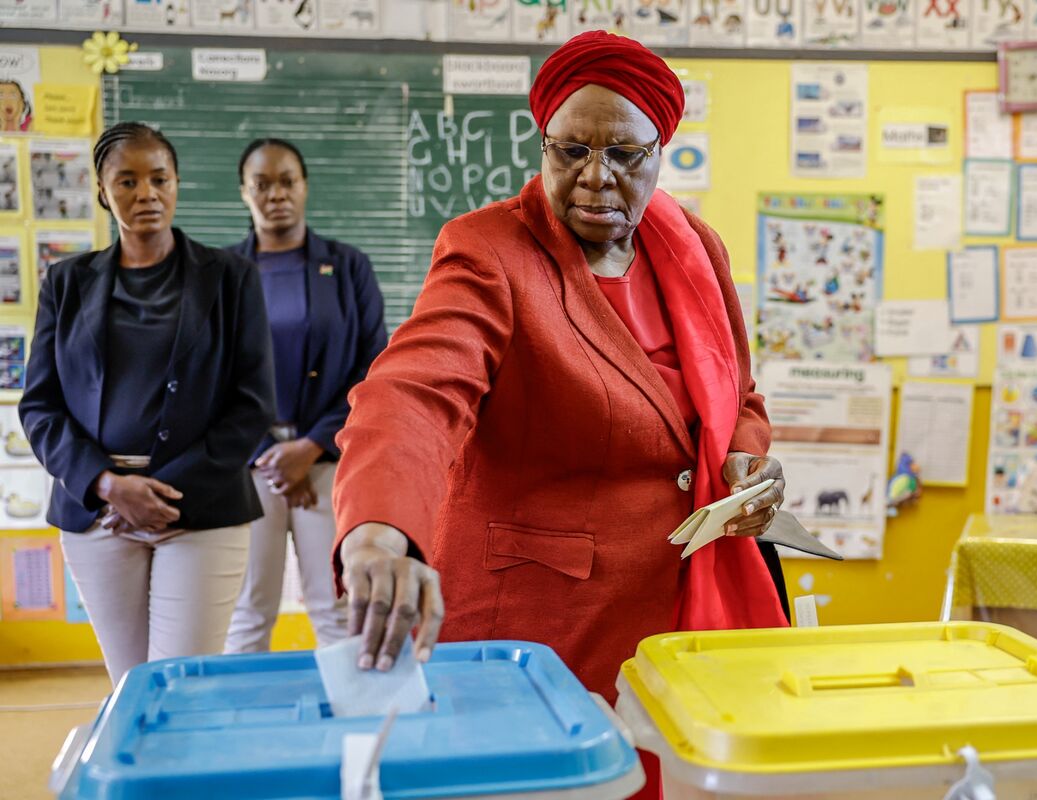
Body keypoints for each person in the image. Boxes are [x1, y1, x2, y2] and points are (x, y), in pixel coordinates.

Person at [333, 31, 789, 697]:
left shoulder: (695, 248)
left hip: (684, 609)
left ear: (661, 152)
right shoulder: (490, 252)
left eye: (625, 154)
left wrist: (745, 459)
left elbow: (737, 392)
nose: (596, 175)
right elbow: (415, 393)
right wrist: (376, 533)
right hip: (543, 621)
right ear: (544, 143)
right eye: (572, 150)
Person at [19, 122, 275, 685]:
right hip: (97, 511)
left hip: (202, 510)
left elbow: (253, 404)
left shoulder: (231, 278)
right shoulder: (66, 282)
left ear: (177, 182)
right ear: (103, 191)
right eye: (127, 181)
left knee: (181, 685)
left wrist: (161, 493)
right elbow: (39, 406)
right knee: (130, 685)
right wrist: (109, 486)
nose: (146, 193)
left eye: (159, 178)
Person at [223, 139, 387, 653]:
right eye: (262, 184)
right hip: (249, 467)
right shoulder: (221, 274)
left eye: (287, 181)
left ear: (305, 185)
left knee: (338, 606)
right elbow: (208, 376)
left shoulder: (347, 267)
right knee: (246, 611)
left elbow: (374, 367)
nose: (276, 195)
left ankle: (353, 727)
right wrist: (268, 456)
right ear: (244, 192)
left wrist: (310, 447)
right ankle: (243, 727)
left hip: (329, 462)